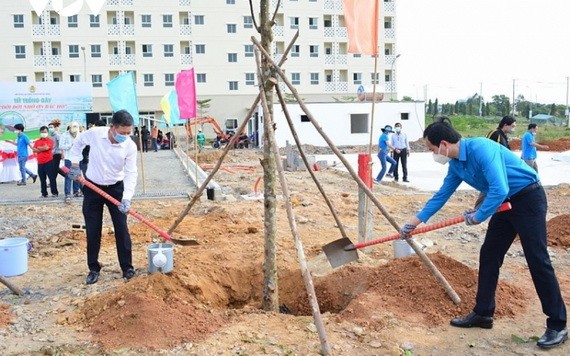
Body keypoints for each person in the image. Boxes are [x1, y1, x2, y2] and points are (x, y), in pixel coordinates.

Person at [399, 119, 567, 349]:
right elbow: (441, 195)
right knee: (489, 255)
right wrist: (414, 222)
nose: (432, 154)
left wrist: (479, 215)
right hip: (503, 203)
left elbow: (500, 188)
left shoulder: (482, 149)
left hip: (528, 198)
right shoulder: (456, 164)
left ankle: (557, 325)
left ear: (444, 144)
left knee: (537, 259)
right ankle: (483, 313)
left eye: (431, 149)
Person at [67, 110, 138, 285]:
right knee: (93, 229)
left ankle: (127, 267)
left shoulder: (129, 146)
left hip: (116, 189)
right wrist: (75, 165)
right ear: (112, 127)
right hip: (92, 187)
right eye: (122, 133)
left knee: (121, 228)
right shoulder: (95, 134)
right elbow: (77, 146)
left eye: (129, 132)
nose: (126, 136)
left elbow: (131, 173)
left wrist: (127, 198)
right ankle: (93, 268)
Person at [32, 126, 58, 198]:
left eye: (45, 132)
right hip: (40, 163)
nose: (44, 133)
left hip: (49, 161)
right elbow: (34, 150)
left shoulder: (50, 140)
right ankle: (44, 193)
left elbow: (47, 148)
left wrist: (38, 148)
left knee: (52, 178)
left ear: (47, 132)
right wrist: (42, 148)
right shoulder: (37, 141)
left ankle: (54, 192)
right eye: (42, 132)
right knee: (42, 179)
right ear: (40, 132)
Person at [59, 122, 82, 203]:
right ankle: (67, 193)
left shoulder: (80, 134)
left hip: (78, 158)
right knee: (69, 176)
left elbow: (84, 145)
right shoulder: (64, 135)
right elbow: (61, 146)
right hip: (68, 158)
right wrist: (70, 145)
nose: (75, 132)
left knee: (77, 175)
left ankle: (76, 191)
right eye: (73, 130)